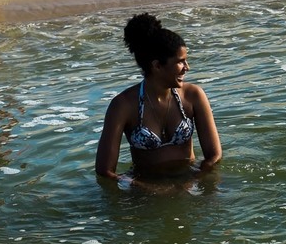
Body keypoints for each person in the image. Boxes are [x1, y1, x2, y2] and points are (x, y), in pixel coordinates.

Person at [95, 13, 222, 179]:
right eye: (180, 61)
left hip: (189, 182)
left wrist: (194, 181)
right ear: (157, 66)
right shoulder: (123, 105)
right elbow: (105, 171)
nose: (187, 67)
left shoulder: (193, 96)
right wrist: (147, 190)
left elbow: (214, 155)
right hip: (145, 191)